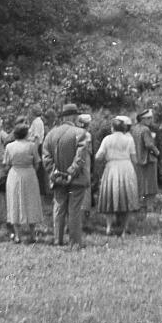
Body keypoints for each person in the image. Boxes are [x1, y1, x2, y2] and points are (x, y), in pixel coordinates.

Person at [43, 103, 92, 248]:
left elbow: (46, 157)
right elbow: (80, 157)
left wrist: (55, 173)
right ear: (74, 117)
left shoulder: (51, 134)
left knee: (58, 208)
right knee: (74, 210)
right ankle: (74, 241)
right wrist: (71, 172)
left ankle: (57, 239)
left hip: (57, 179)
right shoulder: (81, 133)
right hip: (76, 178)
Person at [96, 116, 141, 237]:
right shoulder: (129, 139)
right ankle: (124, 228)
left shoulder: (107, 139)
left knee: (110, 196)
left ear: (112, 128)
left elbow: (98, 156)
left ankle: (109, 227)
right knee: (127, 196)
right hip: (126, 167)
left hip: (112, 168)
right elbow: (134, 158)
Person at [3, 125, 43, 243]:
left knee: (15, 202)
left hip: (14, 174)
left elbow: (6, 164)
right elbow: (37, 162)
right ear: (25, 134)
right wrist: (31, 169)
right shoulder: (32, 146)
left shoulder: (9, 146)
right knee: (31, 202)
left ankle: (17, 235)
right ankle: (33, 234)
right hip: (29, 174)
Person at [131, 109, 162, 216]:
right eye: (148, 118)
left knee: (140, 183)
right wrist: (157, 152)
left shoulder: (134, 128)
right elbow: (149, 144)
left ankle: (140, 204)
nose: (150, 120)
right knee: (150, 184)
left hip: (137, 159)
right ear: (142, 119)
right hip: (148, 159)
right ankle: (149, 206)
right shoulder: (145, 130)